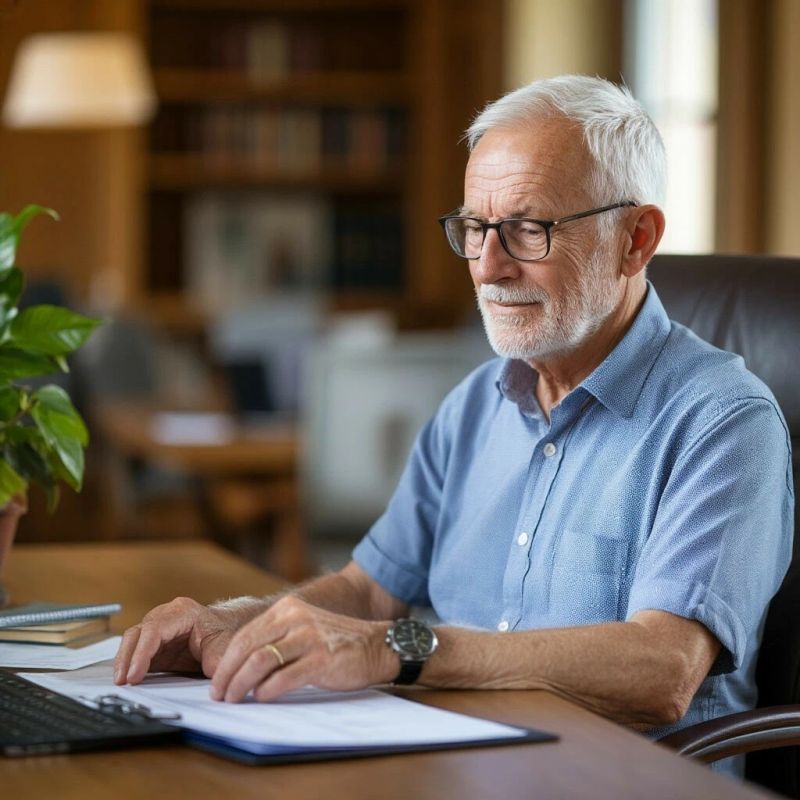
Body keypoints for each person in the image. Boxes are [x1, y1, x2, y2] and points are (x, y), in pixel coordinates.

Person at [114, 75, 793, 774]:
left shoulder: (724, 422)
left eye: (530, 229)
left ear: (635, 239)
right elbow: (369, 589)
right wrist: (238, 621)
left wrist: (399, 648)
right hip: (453, 768)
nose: (489, 267)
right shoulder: (475, 403)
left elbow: (664, 669)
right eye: (475, 228)